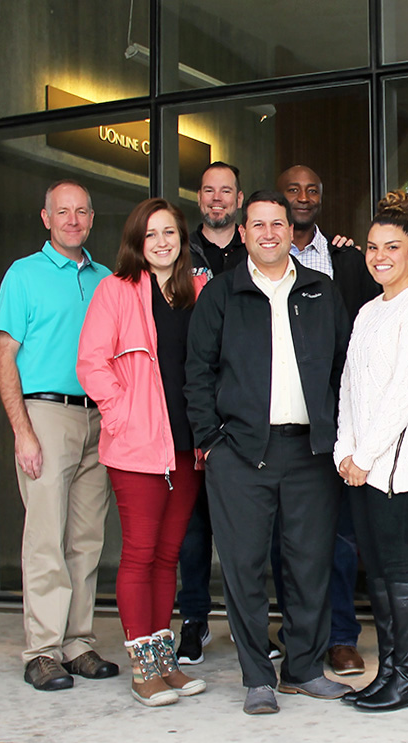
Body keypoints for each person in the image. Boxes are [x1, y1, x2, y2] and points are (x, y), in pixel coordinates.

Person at [185, 190, 352, 715]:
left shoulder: (321, 290)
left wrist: (337, 435)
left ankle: (303, 669)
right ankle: (258, 675)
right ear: (243, 232)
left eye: (277, 223)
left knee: (309, 565)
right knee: (244, 565)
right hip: (240, 455)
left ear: (290, 229)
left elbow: (344, 369)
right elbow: (197, 373)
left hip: (308, 452)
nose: (269, 233)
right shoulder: (221, 295)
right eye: (258, 224)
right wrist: (211, 441)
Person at [77, 198, 209, 706]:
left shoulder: (196, 290)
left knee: (167, 555)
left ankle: (164, 661)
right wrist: (121, 413)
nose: (161, 241)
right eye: (151, 233)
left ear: (181, 239)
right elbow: (91, 363)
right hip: (136, 446)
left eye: (170, 232)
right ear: (138, 240)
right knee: (138, 553)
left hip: (184, 447)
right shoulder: (115, 290)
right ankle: (143, 668)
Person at [0, 179, 120, 692]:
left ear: (92, 219)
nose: (73, 220)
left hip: (99, 418)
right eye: (62, 212)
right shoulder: (22, 275)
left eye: (82, 212)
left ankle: (78, 643)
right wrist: (22, 430)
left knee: (87, 538)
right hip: (45, 413)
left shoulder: (108, 279)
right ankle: (43, 650)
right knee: (45, 536)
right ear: (46, 218)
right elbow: (3, 355)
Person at [334, 191, 408, 712]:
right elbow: (350, 388)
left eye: (391, 246)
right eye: (371, 247)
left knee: (401, 568)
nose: (379, 255)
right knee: (379, 572)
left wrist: (365, 456)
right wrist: (345, 449)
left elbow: (406, 390)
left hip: (404, 464)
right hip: (364, 462)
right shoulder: (367, 311)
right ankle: (389, 672)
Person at [276, 164, 380, 676]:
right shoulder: (262, 257)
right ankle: (295, 632)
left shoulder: (346, 259)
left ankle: (340, 636)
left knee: (339, 537)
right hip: (279, 419)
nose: (303, 197)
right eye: (293, 189)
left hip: (335, 418)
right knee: (286, 537)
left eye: (312, 189)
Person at [175, 161, 245, 667]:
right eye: (208, 191)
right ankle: (195, 620)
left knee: (248, 531)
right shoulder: (180, 252)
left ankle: (249, 627)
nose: (217, 199)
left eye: (226, 191)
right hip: (192, 406)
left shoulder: (255, 250)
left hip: (245, 409)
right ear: (198, 198)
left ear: (238, 198)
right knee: (194, 528)